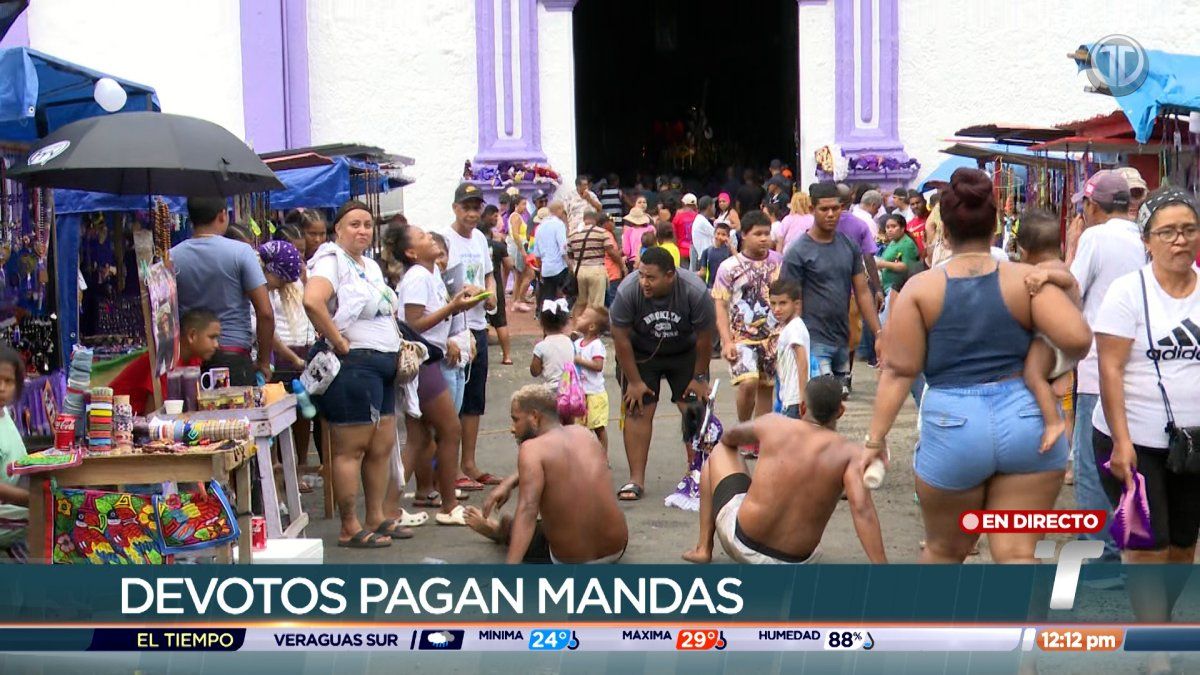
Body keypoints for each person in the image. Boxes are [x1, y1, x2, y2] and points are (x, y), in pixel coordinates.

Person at [863, 168, 1091, 564]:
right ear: (996, 226)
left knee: (944, 551)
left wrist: (875, 440)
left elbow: (900, 371)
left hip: (954, 424)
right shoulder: (1026, 280)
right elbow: (1078, 339)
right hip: (1027, 420)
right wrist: (1062, 294)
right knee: (1018, 553)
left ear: (944, 232)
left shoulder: (921, 288)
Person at [1093, 189, 1200, 663]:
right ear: (1147, 240)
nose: (1181, 240)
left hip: (1192, 444)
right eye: (1168, 232)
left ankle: (1159, 624)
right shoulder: (1127, 292)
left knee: (1182, 545)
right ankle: (1155, 647)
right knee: (1147, 546)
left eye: (1190, 230)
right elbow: (1109, 369)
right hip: (1132, 439)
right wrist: (1119, 441)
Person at [682, 376, 886, 564]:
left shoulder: (774, 423)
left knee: (720, 450)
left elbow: (729, 438)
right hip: (796, 561)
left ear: (803, 407)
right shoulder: (850, 453)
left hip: (742, 543)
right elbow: (862, 510)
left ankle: (703, 548)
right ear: (840, 411)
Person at [303, 200, 405, 547]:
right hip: (354, 366)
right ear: (338, 230)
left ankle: (375, 516)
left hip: (382, 364)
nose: (362, 230)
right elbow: (313, 301)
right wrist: (338, 342)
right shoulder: (331, 261)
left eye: (367, 224)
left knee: (381, 446)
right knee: (352, 450)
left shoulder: (369, 266)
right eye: (354, 224)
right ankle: (350, 526)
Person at [462, 386, 628, 564]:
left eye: (515, 420)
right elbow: (556, 463)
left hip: (574, 559)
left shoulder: (531, 449)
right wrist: (509, 482)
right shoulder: (585, 434)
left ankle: (500, 531)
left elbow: (528, 511)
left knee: (521, 526)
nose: (512, 429)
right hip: (617, 547)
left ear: (534, 417)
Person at [1068, 169, 1143, 566]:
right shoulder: (1142, 237)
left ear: (1093, 206)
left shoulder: (1095, 237)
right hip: (1138, 371)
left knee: (1090, 462)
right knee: (1128, 459)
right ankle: (1126, 544)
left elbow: (1072, 292)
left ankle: (1101, 551)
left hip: (1098, 367)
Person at [389, 222, 484, 527]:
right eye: (423, 236)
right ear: (411, 252)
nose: (431, 237)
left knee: (417, 438)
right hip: (423, 360)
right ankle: (449, 504)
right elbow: (413, 324)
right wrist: (453, 306)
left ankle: (388, 506)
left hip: (430, 358)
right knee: (450, 429)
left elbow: (435, 315)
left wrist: (458, 305)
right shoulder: (417, 277)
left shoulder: (432, 275)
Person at [610, 247, 715, 500]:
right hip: (640, 353)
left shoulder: (694, 290)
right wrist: (634, 381)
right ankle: (636, 479)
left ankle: (699, 473)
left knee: (694, 408)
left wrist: (699, 378)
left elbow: (705, 337)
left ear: (670, 276)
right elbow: (620, 336)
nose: (644, 282)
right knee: (638, 407)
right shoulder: (628, 291)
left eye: (651, 277)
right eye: (641, 275)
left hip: (685, 352)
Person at [782, 183, 882, 396]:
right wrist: (793, 341)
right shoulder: (798, 251)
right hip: (812, 338)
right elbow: (789, 300)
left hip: (840, 339)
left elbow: (862, 292)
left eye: (835, 209)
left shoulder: (849, 246)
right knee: (819, 401)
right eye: (824, 209)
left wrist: (878, 333)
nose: (830, 214)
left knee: (833, 406)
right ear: (811, 209)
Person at [171, 197, 275, 386]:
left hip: (187, 361)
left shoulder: (172, 257)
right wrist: (264, 361)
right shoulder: (242, 252)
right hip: (233, 358)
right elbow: (265, 313)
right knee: (237, 415)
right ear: (222, 215)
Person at [439, 184, 499, 495]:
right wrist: (465, 292)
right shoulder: (445, 240)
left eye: (477, 207)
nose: (472, 213)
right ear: (455, 208)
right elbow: (443, 283)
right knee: (451, 401)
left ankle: (470, 462)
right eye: (467, 207)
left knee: (474, 399)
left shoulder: (480, 239)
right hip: (453, 327)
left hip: (477, 324)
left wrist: (491, 295)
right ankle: (445, 468)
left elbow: (488, 274)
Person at [1018, 210, 1083, 453]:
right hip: (1062, 345)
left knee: (1033, 375)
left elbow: (1068, 281)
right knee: (1060, 396)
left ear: (1023, 252)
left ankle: (1052, 423)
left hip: (1053, 343)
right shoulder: (1061, 265)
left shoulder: (1052, 270)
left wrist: (1045, 275)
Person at [713, 210, 782, 430]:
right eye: (758, 234)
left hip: (773, 336)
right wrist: (726, 341)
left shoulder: (778, 262)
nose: (764, 238)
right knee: (748, 382)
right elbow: (721, 306)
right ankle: (743, 428)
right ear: (744, 235)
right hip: (742, 337)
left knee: (766, 387)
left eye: (767, 233)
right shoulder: (728, 267)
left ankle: (760, 436)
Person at [108, 310, 219, 416]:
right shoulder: (166, 359)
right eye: (212, 337)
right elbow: (153, 416)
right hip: (115, 415)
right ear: (192, 335)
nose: (216, 345)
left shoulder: (194, 359)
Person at [0, 346, 29, 558]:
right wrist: (31, 499)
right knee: (49, 515)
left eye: (8, 381)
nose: (1, 387)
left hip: (8, 506)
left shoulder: (5, 414)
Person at [770, 279, 811, 420]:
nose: (777, 309)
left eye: (783, 303)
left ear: (796, 304)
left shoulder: (794, 327)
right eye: (773, 303)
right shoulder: (789, 327)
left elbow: (802, 361)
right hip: (788, 398)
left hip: (795, 400)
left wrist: (802, 397)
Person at [566, 210, 617, 318]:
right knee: (596, 304)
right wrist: (622, 265)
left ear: (584, 219)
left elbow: (570, 255)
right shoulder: (601, 232)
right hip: (596, 269)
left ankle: (576, 328)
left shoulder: (573, 234)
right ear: (596, 219)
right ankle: (592, 329)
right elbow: (610, 251)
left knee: (580, 302)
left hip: (579, 270)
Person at [574, 306, 610, 451]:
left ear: (592, 326)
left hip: (594, 393)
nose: (578, 318)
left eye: (583, 317)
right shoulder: (577, 344)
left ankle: (602, 456)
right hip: (580, 393)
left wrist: (578, 360)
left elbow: (598, 365)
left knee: (598, 427)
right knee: (581, 429)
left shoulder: (596, 345)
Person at [482, 207, 514, 365]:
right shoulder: (498, 246)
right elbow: (509, 264)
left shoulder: (475, 245)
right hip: (494, 285)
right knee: (500, 321)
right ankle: (507, 356)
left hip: (477, 284)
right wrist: (504, 276)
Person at [530, 299, 574, 390]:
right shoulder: (570, 342)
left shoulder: (541, 346)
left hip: (550, 389)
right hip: (570, 389)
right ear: (565, 322)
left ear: (541, 323)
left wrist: (537, 352)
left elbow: (535, 372)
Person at [531, 203, 569, 305]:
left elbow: (537, 254)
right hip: (559, 267)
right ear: (559, 209)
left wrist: (540, 269)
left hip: (546, 269)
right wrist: (571, 266)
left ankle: (545, 317)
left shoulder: (539, 227)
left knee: (548, 299)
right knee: (565, 295)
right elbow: (563, 248)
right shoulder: (559, 224)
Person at [506, 195, 535, 312]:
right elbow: (516, 235)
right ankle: (519, 300)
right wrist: (523, 251)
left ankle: (515, 301)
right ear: (516, 205)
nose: (525, 207)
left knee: (519, 276)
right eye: (523, 204)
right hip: (520, 248)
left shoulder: (517, 216)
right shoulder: (516, 217)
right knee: (529, 274)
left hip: (520, 247)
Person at [699, 222, 735, 288]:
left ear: (728, 237)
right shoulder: (707, 251)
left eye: (723, 234)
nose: (720, 237)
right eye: (718, 234)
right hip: (711, 286)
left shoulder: (729, 251)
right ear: (714, 234)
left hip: (726, 286)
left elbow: (739, 262)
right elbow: (703, 272)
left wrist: (731, 245)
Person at [620, 204, 655, 269]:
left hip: (633, 261)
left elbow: (626, 251)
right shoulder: (651, 229)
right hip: (650, 259)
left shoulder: (629, 231)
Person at [690, 196, 716, 272]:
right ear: (709, 207)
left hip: (704, 258)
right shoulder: (702, 221)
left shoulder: (701, 219)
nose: (715, 209)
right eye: (714, 206)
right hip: (705, 259)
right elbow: (716, 234)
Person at [673, 193, 699, 264]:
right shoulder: (699, 217)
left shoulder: (677, 218)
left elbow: (674, 235)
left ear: (683, 203)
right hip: (696, 251)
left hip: (682, 251)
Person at [905, 190, 929, 257]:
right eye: (912, 204)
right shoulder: (908, 226)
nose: (915, 206)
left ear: (925, 202)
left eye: (918, 203)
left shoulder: (933, 218)